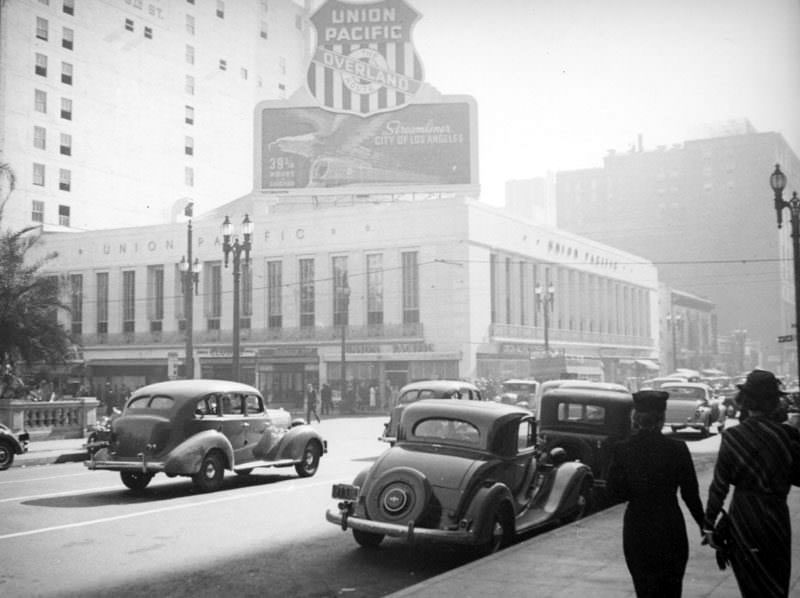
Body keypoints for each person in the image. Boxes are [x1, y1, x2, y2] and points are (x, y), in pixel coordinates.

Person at [703, 369, 800, 598]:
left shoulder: (733, 437)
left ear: (745, 400)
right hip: (775, 518)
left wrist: (709, 524)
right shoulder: (786, 436)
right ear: (774, 402)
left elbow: (719, 486)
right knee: (775, 583)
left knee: (750, 584)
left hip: (744, 519)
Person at [607, 389, 704, 597]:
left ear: (635, 417)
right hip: (670, 527)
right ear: (662, 418)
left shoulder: (622, 449)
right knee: (671, 590)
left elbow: (614, 493)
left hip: (637, 529)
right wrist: (705, 525)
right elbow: (690, 494)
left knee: (644, 589)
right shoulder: (678, 449)